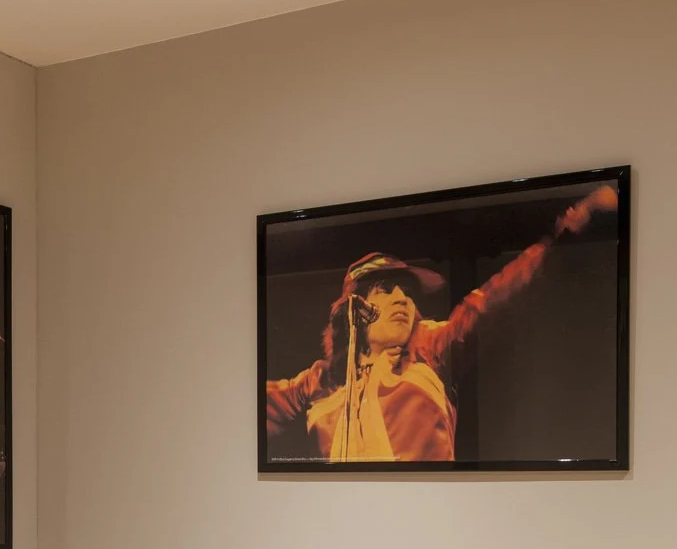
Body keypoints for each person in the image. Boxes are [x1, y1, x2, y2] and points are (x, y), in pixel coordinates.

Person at [262, 182, 618, 463]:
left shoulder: (430, 351)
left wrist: (561, 238)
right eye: (386, 291)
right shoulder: (320, 381)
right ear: (353, 309)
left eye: (408, 292)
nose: (403, 299)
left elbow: (494, 302)